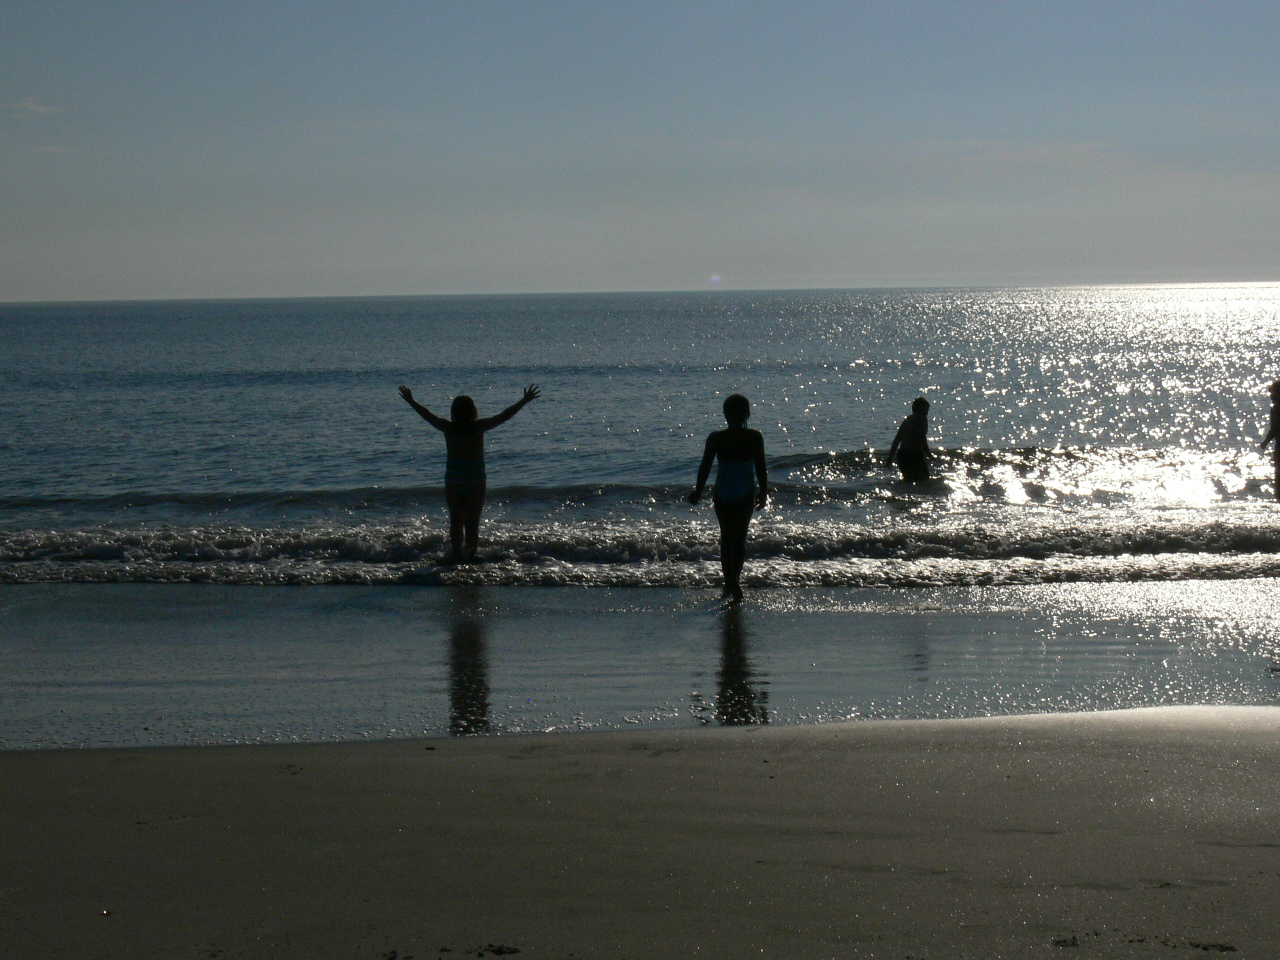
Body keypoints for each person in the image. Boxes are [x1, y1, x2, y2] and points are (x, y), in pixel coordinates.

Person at [398, 383, 540, 561]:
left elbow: (427, 415)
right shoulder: (478, 427)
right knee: (472, 523)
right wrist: (524, 401)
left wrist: (411, 401)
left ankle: (456, 555)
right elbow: (504, 415)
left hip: (454, 480)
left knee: (456, 521)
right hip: (475, 481)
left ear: (454, 412)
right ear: (473, 411)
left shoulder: (448, 428)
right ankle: (470, 556)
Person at [689, 394, 768, 601]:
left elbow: (705, 467)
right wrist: (764, 492)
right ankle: (734, 579)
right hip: (745, 492)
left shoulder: (716, 438)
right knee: (739, 540)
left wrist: (698, 491)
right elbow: (760, 467)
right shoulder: (754, 437)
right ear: (747, 414)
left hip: (723, 492)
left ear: (725, 414)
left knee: (727, 539)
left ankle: (729, 582)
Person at [886, 396, 932, 483]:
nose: (927, 413)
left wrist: (890, 456)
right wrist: (929, 454)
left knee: (908, 481)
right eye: (926, 410)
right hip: (914, 454)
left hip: (902, 455)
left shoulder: (907, 420)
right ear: (921, 408)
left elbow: (897, 439)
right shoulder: (922, 418)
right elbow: (921, 438)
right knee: (924, 481)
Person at [1260, 380, 1280, 501]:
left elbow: (1274, 428)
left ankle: (1278, 494)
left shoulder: (1276, 408)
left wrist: (1266, 442)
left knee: (1278, 469)